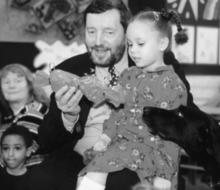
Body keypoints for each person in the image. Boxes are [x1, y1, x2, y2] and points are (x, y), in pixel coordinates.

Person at [29, 0, 196, 190]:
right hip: (78, 157)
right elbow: (45, 140)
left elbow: (188, 115)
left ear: (127, 33)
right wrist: (68, 116)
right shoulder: (69, 69)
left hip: (140, 155)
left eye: (108, 32)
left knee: (122, 183)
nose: (98, 41)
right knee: (38, 178)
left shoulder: (158, 63)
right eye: (91, 31)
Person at [77, 9, 188, 190]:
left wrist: (165, 175)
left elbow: (173, 133)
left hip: (156, 154)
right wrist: (105, 137)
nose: (133, 50)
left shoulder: (172, 85)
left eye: (140, 44)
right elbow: (118, 113)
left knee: (100, 171)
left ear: (162, 44)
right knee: (90, 173)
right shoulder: (128, 75)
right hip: (124, 147)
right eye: (129, 44)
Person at [0, 64, 49, 167]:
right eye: (6, 82)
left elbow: (15, 156)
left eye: (18, 81)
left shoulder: (34, 111)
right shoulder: (7, 117)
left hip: (30, 178)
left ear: (30, 85)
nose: (11, 86)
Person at [0, 124, 33, 190]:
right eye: (6, 148)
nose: (10, 154)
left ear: (28, 151)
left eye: (17, 148)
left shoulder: (35, 180)